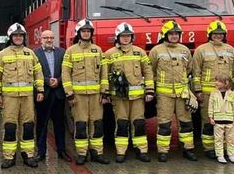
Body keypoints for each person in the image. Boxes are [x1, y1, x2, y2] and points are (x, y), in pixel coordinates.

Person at [0, 23, 44, 168]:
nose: (18, 37)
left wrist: (40, 90)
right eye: (15, 35)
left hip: (27, 97)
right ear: (10, 37)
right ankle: (9, 157)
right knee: (9, 127)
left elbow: (38, 73)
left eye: (21, 35)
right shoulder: (2, 54)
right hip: (9, 98)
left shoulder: (30, 53)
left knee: (28, 126)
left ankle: (28, 155)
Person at [102, 23, 154, 163]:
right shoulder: (109, 54)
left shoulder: (140, 52)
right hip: (119, 97)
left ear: (132, 37)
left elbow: (148, 72)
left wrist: (149, 91)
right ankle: (121, 151)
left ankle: (141, 150)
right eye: (123, 36)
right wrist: (105, 93)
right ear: (117, 37)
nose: (126, 38)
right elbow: (104, 76)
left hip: (137, 97)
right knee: (122, 123)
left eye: (128, 36)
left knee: (138, 123)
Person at [149, 21, 198, 162]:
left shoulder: (185, 50)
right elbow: (150, 71)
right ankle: (163, 151)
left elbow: (188, 69)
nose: (174, 36)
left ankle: (188, 149)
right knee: (164, 123)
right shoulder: (156, 51)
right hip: (164, 94)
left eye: (177, 34)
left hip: (182, 93)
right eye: (171, 34)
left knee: (186, 123)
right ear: (165, 35)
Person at [62, 19, 108, 165]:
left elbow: (104, 74)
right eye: (84, 31)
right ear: (79, 33)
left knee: (97, 124)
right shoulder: (70, 51)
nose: (86, 33)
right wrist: (69, 94)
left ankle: (97, 153)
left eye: (88, 31)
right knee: (80, 125)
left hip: (96, 96)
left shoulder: (98, 50)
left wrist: (104, 92)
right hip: (78, 97)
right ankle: (82, 154)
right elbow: (65, 74)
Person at [192, 21, 234, 159]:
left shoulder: (231, 50)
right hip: (208, 93)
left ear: (224, 35)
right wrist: (198, 91)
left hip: (227, 94)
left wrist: (233, 90)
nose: (218, 36)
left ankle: (224, 148)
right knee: (208, 120)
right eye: (215, 34)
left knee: (226, 121)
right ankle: (209, 148)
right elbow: (196, 72)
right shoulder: (201, 50)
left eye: (220, 34)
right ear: (210, 35)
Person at [35, 29, 69, 162]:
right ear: (41, 39)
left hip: (59, 94)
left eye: (51, 37)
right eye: (45, 38)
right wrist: (47, 81)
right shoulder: (34, 54)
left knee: (60, 124)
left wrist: (59, 81)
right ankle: (41, 153)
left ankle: (62, 151)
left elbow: (66, 71)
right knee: (42, 124)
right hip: (43, 94)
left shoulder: (62, 52)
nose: (49, 40)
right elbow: (33, 73)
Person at [208, 74, 234, 164]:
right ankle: (220, 155)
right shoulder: (213, 93)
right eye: (216, 80)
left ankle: (231, 155)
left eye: (219, 81)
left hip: (229, 120)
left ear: (226, 83)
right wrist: (211, 117)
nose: (216, 83)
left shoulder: (231, 93)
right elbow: (211, 106)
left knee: (230, 139)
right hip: (218, 120)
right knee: (218, 139)